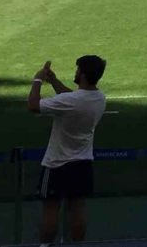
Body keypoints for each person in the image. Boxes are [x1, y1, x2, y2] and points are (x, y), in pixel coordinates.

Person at [27, 55, 107, 244]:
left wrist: (38, 79)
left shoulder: (72, 101)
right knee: (78, 207)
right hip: (83, 162)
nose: (76, 72)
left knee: (50, 208)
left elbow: (33, 105)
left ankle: (45, 245)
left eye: (78, 69)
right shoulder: (99, 98)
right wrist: (54, 81)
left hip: (56, 163)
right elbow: (71, 97)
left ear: (84, 74)